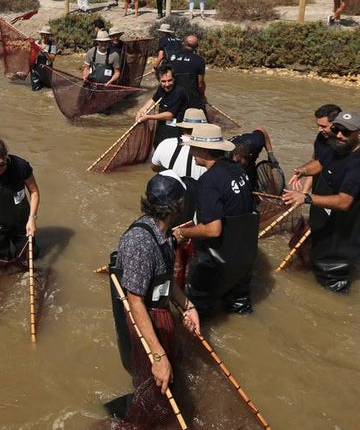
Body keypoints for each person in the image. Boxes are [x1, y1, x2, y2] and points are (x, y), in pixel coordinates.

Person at [109, 175, 201, 406]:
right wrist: (158, 357)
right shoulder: (140, 242)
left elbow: (166, 280)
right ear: (176, 206)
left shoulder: (165, 234)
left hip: (159, 314)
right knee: (152, 390)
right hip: (141, 322)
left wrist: (188, 307)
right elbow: (135, 302)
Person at [281, 110, 360, 293]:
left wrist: (306, 197)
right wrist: (303, 170)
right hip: (325, 218)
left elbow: (344, 201)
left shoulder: (358, 166)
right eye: (337, 129)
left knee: (330, 281)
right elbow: (321, 164)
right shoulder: (337, 147)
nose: (339, 135)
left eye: (346, 132)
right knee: (309, 255)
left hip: (341, 231)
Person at [174, 123, 257, 315]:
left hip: (219, 262)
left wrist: (182, 232)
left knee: (197, 311)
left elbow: (213, 229)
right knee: (240, 310)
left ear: (205, 150)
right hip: (244, 258)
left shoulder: (209, 181)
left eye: (193, 147)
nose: (191, 151)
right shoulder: (239, 170)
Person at [149, 107, 210, 186]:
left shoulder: (165, 143)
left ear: (183, 126)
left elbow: (154, 167)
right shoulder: (208, 153)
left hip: (168, 193)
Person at [135, 66, 190, 146]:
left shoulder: (179, 92)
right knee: (157, 145)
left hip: (175, 129)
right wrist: (142, 110)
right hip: (162, 126)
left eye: (170, 80)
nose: (167, 84)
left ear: (174, 79)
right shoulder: (161, 88)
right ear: (159, 81)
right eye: (163, 81)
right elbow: (154, 99)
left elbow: (169, 115)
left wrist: (148, 117)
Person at [289, 103, 341, 186]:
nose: (319, 129)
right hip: (319, 189)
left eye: (323, 126)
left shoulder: (346, 146)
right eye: (318, 125)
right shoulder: (321, 137)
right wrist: (304, 193)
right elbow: (315, 162)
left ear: (336, 125)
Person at [229, 126, 277, 194]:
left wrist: (270, 154)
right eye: (237, 161)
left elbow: (262, 131)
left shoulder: (256, 142)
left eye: (245, 159)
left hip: (249, 161)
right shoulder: (224, 156)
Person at [169, 33, 206, 110]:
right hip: (191, 97)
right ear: (196, 47)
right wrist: (202, 96)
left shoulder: (171, 57)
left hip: (173, 94)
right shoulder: (199, 60)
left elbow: (162, 75)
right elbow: (200, 84)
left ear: (183, 43)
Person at [30, 27, 56, 91]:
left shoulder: (52, 44)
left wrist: (45, 52)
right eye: (42, 34)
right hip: (35, 70)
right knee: (36, 90)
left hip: (47, 70)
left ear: (49, 35)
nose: (44, 36)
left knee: (48, 89)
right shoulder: (36, 43)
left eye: (46, 34)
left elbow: (52, 59)